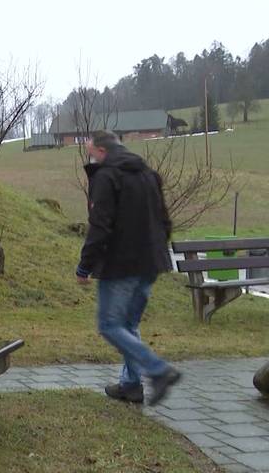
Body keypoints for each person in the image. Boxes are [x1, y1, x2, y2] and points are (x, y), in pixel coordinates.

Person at [75, 130, 181, 406]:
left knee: (109, 325)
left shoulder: (106, 177)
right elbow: (165, 220)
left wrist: (84, 266)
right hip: (151, 262)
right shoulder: (148, 174)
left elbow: (100, 225)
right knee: (128, 324)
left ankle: (158, 370)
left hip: (121, 264)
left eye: (91, 152)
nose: (91, 157)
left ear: (101, 151)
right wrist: (157, 251)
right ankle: (131, 385)